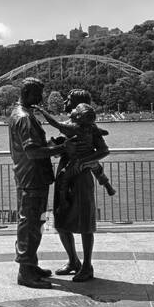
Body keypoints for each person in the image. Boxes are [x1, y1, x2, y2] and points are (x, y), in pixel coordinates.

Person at [50, 95, 110, 281]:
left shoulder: (89, 129)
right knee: (61, 218)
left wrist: (83, 162)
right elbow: (60, 144)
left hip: (81, 177)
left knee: (85, 222)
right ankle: (73, 261)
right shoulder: (69, 125)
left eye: (68, 99)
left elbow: (103, 150)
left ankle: (87, 265)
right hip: (64, 172)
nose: (65, 102)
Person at [8, 78, 56, 288]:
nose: (40, 99)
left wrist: (52, 145)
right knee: (30, 223)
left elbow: (35, 147)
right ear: (27, 93)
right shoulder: (25, 118)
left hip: (29, 176)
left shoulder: (19, 114)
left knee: (34, 222)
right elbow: (33, 152)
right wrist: (62, 150)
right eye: (38, 94)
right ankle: (25, 270)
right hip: (32, 177)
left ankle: (30, 263)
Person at [37, 95, 116, 197]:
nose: (66, 103)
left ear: (79, 116)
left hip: (77, 160)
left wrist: (42, 111)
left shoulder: (74, 127)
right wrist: (102, 132)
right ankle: (108, 186)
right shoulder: (90, 127)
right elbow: (103, 133)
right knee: (97, 169)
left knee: (64, 178)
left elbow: (55, 124)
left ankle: (63, 200)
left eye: (75, 108)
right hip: (89, 157)